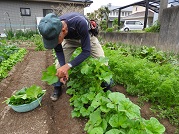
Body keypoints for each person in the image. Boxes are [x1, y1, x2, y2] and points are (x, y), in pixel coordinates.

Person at [38, 12, 110, 101]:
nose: (54, 43)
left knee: (103, 61)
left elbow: (86, 51)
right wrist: (63, 68)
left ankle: (107, 87)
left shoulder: (80, 22)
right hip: (69, 40)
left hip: (87, 37)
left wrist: (68, 66)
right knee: (59, 66)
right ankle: (57, 87)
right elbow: (59, 50)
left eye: (54, 41)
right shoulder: (54, 30)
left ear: (63, 30)